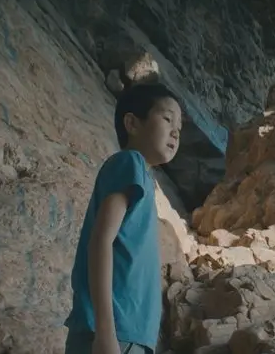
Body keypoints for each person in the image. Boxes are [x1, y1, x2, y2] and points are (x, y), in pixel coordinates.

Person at [63, 83, 182, 354]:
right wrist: (105, 332)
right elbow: (101, 241)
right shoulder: (130, 163)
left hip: (130, 336)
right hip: (113, 334)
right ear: (132, 123)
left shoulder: (143, 178)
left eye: (180, 127)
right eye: (167, 119)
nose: (176, 131)